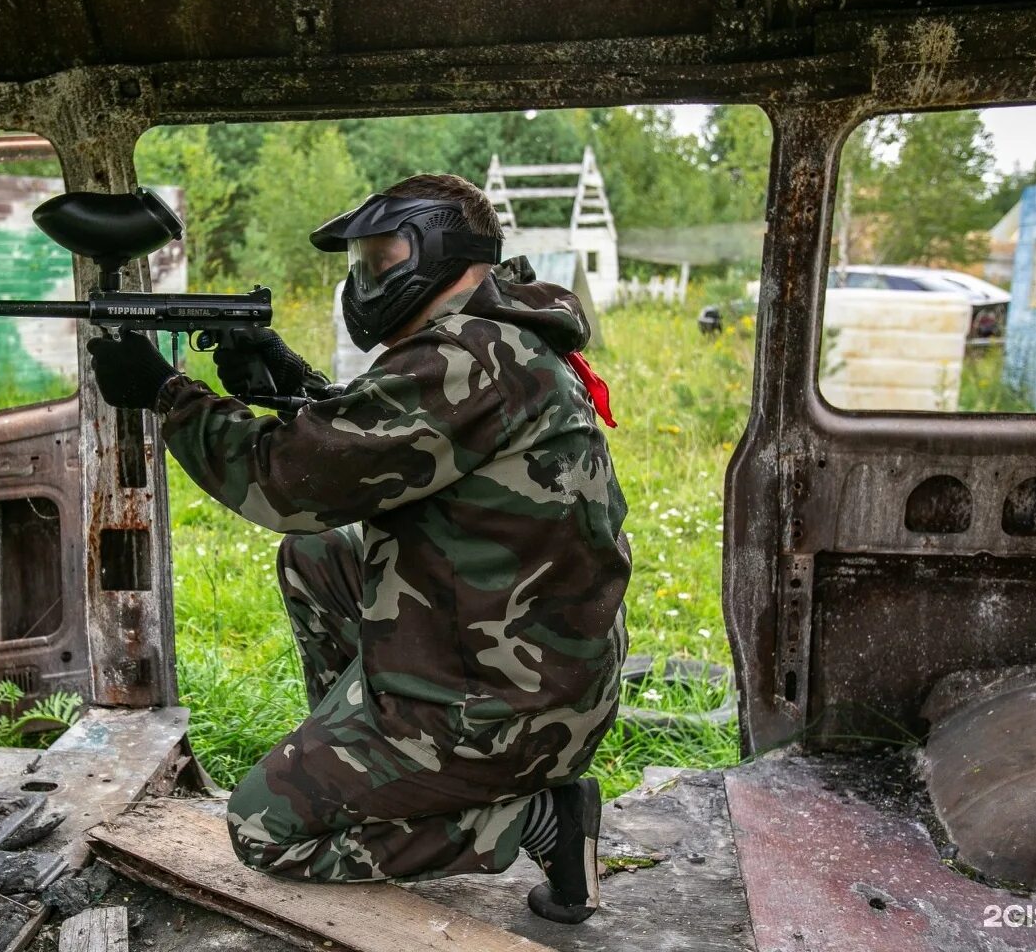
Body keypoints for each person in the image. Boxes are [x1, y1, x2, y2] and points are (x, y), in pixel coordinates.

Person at [87, 173, 630, 924]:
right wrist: (289, 385)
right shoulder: (497, 336)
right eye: (363, 262)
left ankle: (535, 819)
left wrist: (165, 393)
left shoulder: (465, 359)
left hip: (508, 714)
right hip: (539, 672)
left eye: (383, 258)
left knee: (263, 831)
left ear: (440, 251)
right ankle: (376, 767)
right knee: (319, 559)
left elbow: (287, 483)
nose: (367, 278)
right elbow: (389, 446)